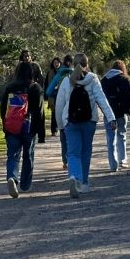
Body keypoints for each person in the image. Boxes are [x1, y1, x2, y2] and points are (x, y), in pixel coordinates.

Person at [55, 52, 116, 198]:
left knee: (73, 152)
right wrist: (111, 118)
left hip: (71, 121)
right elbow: (102, 99)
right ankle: (83, 183)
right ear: (86, 64)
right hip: (89, 121)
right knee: (86, 152)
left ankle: (74, 176)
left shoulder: (66, 81)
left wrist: (60, 125)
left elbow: (59, 104)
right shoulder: (93, 79)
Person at [0, 61, 43, 198]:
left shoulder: (10, 87)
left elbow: (3, 108)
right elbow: (39, 112)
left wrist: (5, 125)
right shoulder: (35, 88)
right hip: (28, 127)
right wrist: (40, 133)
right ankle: (25, 184)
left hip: (12, 126)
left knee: (12, 155)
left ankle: (12, 177)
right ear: (31, 73)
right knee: (28, 155)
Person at [101, 60, 130, 171]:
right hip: (122, 113)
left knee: (110, 139)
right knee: (122, 136)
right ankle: (123, 160)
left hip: (108, 113)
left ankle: (113, 164)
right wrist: (128, 110)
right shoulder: (124, 79)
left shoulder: (104, 80)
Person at [46, 54, 74, 169]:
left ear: (63, 62)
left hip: (61, 108)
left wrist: (56, 93)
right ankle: (75, 160)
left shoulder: (60, 74)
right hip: (75, 109)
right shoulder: (78, 74)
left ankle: (65, 161)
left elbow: (48, 92)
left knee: (63, 135)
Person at [44, 58, 61, 135]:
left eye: (57, 62)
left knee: (61, 112)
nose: (56, 64)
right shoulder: (49, 73)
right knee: (53, 113)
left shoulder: (63, 72)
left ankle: (61, 128)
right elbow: (46, 84)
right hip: (52, 95)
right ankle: (54, 130)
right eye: (55, 62)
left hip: (61, 94)